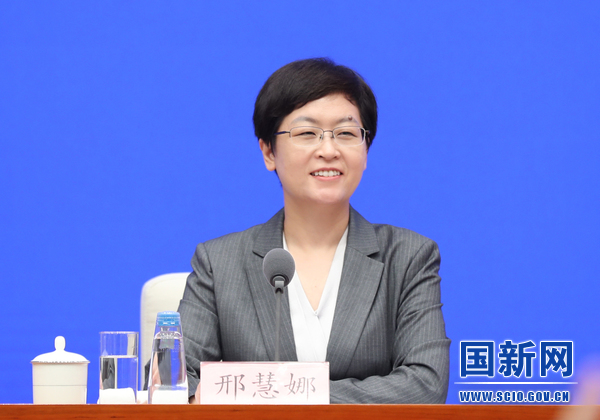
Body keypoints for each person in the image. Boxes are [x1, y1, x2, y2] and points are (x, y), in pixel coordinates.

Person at [179, 58, 450, 404]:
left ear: (366, 150)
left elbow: (425, 385)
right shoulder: (219, 263)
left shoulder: (408, 257)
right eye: (307, 133)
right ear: (268, 151)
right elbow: (175, 380)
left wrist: (280, 396)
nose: (328, 150)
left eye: (346, 134)